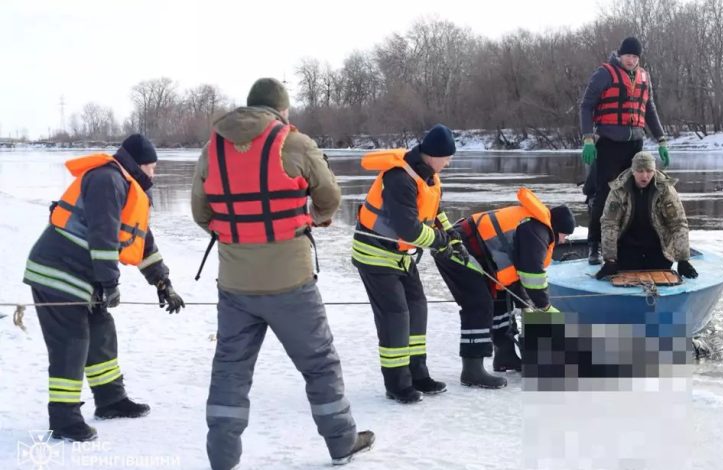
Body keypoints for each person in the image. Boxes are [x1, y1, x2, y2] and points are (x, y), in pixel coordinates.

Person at [192, 78, 373, 468]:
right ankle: (342, 443)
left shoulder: (212, 150)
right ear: (282, 110)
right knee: (320, 363)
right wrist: (315, 218)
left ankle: (222, 458)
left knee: (230, 370)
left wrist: (238, 236)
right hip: (291, 282)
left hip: (235, 283)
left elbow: (201, 214)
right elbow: (330, 198)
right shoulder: (296, 143)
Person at [22, 134, 185, 442]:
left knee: (101, 335)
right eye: (151, 166)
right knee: (72, 342)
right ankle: (65, 420)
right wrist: (110, 283)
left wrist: (163, 282)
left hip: (85, 277)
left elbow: (141, 242)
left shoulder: (127, 186)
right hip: (57, 273)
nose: (154, 173)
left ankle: (110, 400)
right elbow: (103, 236)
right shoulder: (105, 180)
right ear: (137, 165)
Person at [352, 124, 458, 404]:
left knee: (417, 308)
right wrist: (439, 242)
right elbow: (409, 230)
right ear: (433, 155)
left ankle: (418, 374)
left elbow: (435, 211)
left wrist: (452, 236)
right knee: (395, 315)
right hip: (374, 254)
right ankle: (397, 384)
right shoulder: (400, 178)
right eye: (447, 157)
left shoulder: (430, 176)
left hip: (401, 257)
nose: (449, 162)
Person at [435, 188, 576, 378]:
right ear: (558, 229)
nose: (563, 240)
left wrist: (527, 304)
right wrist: (544, 306)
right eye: (565, 236)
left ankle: (505, 356)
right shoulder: (538, 230)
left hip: (476, 253)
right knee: (479, 306)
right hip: (456, 250)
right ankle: (472, 370)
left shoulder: (534, 224)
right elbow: (531, 273)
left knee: (502, 299)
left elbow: (517, 277)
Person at [580, 36, 668, 265]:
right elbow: (586, 105)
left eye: (635, 56)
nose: (631, 60)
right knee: (604, 193)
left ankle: (628, 241)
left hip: (635, 144)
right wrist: (588, 138)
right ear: (620, 55)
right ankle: (594, 245)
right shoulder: (604, 73)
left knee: (635, 192)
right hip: (609, 142)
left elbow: (649, 109)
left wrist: (661, 139)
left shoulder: (644, 77)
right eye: (628, 55)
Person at [596, 152, 698, 280]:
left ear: (654, 170)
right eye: (640, 171)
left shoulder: (665, 190)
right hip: (628, 247)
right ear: (633, 171)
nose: (645, 176)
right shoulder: (618, 190)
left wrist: (683, 260)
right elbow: (610, 223)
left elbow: (678, 223)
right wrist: (610, 259)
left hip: (659, 249)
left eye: (649, 171)